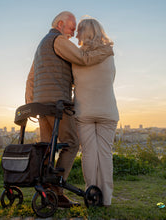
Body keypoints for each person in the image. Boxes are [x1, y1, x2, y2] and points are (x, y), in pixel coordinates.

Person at [25, 11, 113, 208]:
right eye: (72, 29)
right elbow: (82, 58)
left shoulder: (42, 45)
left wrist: (30, 102)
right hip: (57, 103)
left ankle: (46, 190)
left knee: (47, 148)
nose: (73, 34)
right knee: (71, 143)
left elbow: (31, 77)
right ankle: (57, 188)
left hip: (41, 104)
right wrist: (106, 51)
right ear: (60, 24)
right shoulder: (58, 40)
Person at [72, 18, 119, 207]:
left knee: (89, 154)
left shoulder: (77, 56)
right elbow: (111, 79)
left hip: (84, 111)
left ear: (85, 33)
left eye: (78, 31)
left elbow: (72, 81)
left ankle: (91, 196)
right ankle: (106, 199)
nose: (76, 35)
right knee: (105, 154)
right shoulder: (109, 54)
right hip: (108, 110)